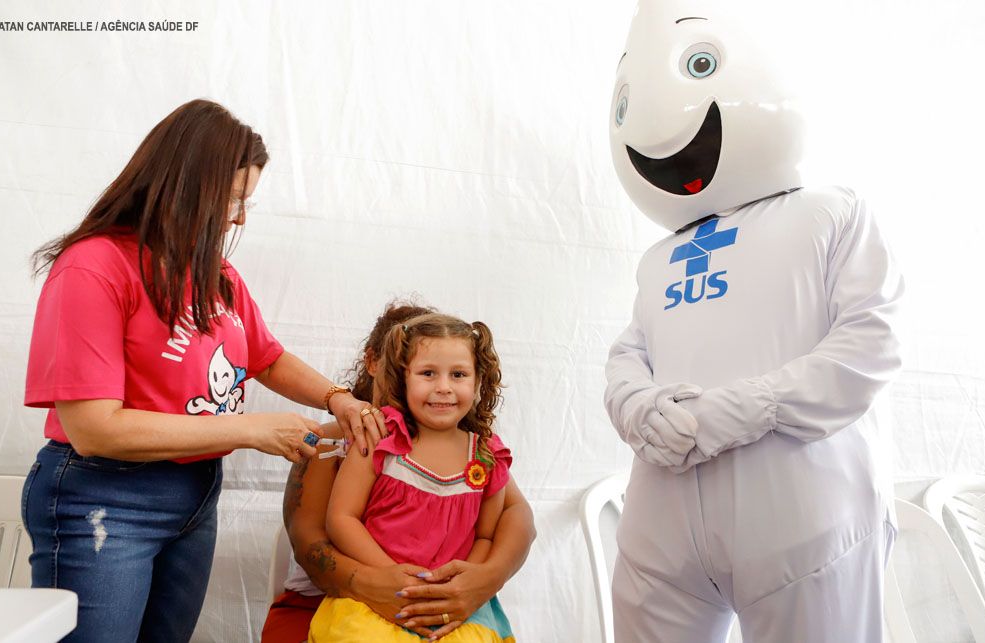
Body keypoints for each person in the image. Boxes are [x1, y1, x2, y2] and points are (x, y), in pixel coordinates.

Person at [21, 99, 385, 643]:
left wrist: (339, 398)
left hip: (194, 495)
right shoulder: (93, 267)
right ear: (184, 183)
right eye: (234, 198)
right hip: (104, 499)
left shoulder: (216, 274)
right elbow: (94, 429)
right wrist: (249, 429)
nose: (239, 217)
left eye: (247, 202)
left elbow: (267, 357)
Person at [604, 3, 903, 642]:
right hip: (660, 520)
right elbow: (630, 351)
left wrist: (749, 406)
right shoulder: (657, 259)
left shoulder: (832, 211)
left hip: (801, 512)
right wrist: (638, 406)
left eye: (702, 64)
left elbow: (869, 343)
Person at [262, 302, 535, 642]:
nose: (442, 385)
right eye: (425, 370)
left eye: (457, 372)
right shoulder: (335, 441)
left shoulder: (473, 451)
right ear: (377, 362)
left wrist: (486, 577)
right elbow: (310, 542)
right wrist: (379, 582)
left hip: (439, 603)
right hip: (331, 601)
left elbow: (515, 516)